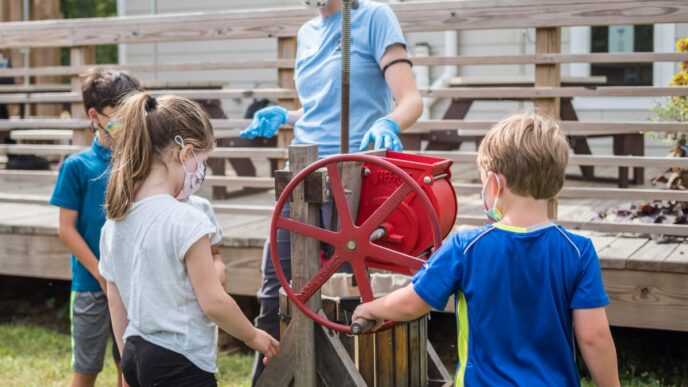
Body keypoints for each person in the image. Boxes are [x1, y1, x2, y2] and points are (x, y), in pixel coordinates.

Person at [352, 113, 621, 387]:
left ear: (494, 184)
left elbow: (412, 303)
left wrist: (371, 308)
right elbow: (593, 336)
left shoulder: (465, 247)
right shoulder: (579, 251)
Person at [243, 1, 422, 382]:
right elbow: (318, 108)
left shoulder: (375, 17)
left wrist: (389, 121)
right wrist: (288, 116)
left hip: (349, 179)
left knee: (338, 295)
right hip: (301, 174)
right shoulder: (307, 32)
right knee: (274, 289)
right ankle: (266, 378)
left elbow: (411, 99)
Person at [99, 92, 279, 386]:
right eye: (202, 161)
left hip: (134, 351)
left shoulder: (115, 220)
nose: (201, 173)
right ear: (185, 153)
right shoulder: (187, 219)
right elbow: (213, 302)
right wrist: (252, 335)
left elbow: (114, 298)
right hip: (179, 361)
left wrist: (125, 360)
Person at [50, 68, 142, 387]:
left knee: (129, 368)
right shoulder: (76, 166)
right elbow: (67, 229)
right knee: (86, 370)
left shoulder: (138, 165)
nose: (128, 123)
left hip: (132, 283)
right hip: (90, 286)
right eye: (121, 115)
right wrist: (101, 273)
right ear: (95, 115)